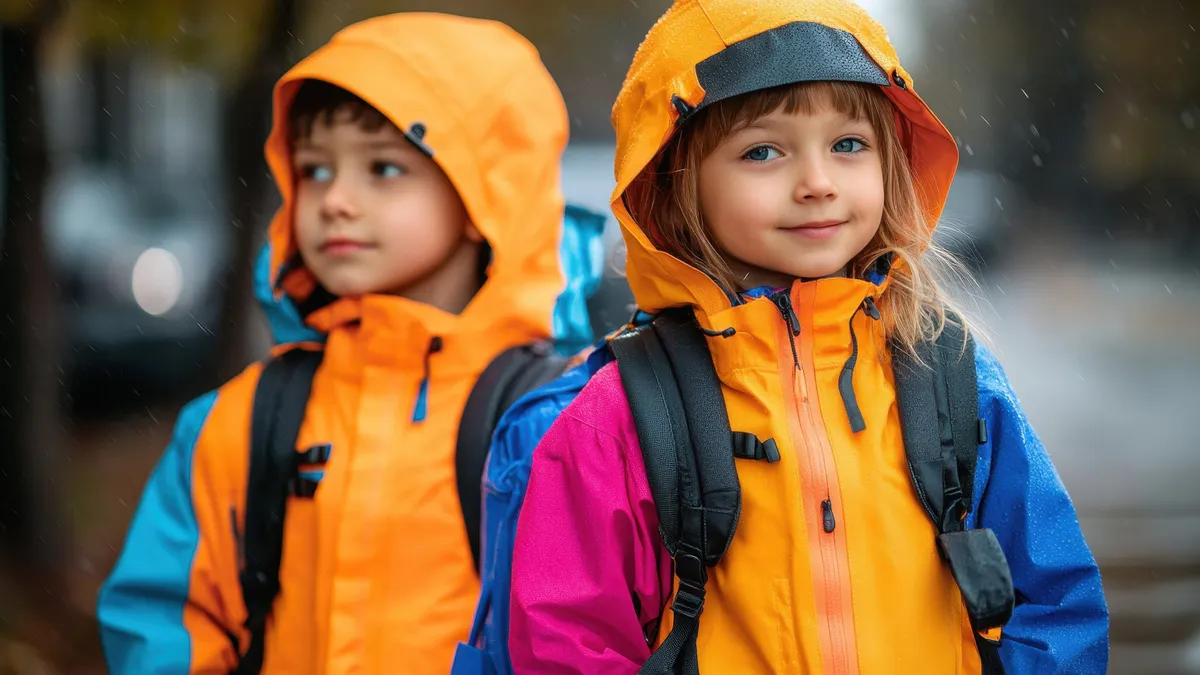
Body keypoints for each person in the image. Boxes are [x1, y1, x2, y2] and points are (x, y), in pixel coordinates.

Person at [506, 1, 1110, 673]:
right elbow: (567, 642)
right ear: (674, 186)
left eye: (849, 144)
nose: (817, 184)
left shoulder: (951, 378)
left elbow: (1057, 603)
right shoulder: (621, 414)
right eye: (762, 151)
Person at [96, 12, 603, 674]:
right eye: (315, 168)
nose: (335, 199)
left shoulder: (559, 422)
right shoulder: (243, 421)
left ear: (490, 196)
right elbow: (163, 621)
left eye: (384, 168)